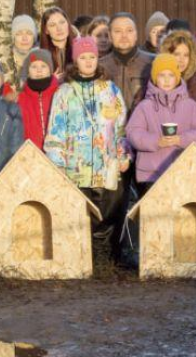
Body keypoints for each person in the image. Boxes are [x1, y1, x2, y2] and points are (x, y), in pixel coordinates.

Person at [45, 37, 131, 263]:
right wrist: (57, 166)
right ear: (75, 61)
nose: (88, 61)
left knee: (108, 216)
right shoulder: (64, 92)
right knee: (81, 215)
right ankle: (82, 260)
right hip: (76, 168)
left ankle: (105, 263)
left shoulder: (110, 90)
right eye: (83, 57)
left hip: (107, 167)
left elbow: (121, 129)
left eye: (92, 57)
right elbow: (55, 133)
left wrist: (124, 156)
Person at [125, 53, 196, 191]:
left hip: (183, 172)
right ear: (154, 78)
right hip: (151, 174)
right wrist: (156, 141)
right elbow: (133, 132)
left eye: (171, 75)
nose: (166, 80)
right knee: (153, 211)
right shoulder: (145, 106)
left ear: (177, 77)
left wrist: (182, 139)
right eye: (161, 75)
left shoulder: (190, 105)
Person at [98, 13, 153, 112]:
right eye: (118, 31)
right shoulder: (100, 66)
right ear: (110, 36)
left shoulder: (152, 63)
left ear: (136, 34)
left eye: (129, 31)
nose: (124, 36)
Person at [17, 49, 59, 149]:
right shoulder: (21, 99)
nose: (39, 70)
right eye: (34, 66)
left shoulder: (60, 94)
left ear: (50, 70)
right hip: (32, 155)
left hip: (58, 155)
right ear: (27, 71)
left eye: (43, 66)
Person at [40, 7, 74, 78]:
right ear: (46, 30)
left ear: (68, 24)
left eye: (62, 22)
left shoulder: (79, 49)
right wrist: (50, 81)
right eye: (52, 25)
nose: (59, 28)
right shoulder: (40, 55)